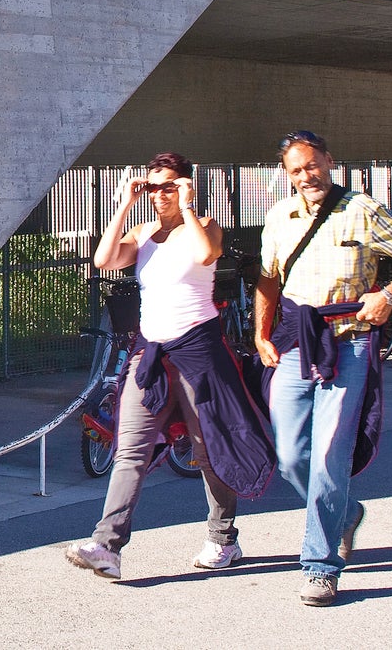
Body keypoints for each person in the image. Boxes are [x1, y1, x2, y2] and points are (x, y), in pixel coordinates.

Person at [253, 129, 392, 605]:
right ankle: (346, 513)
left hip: (350, 342)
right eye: (296, 169)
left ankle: (320, 566)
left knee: (329, 453)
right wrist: (260, 334)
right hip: (295, 341)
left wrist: (390, 294)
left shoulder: (361, 209)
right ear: (286, 175)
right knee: (291, 456)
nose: (306, 175)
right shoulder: (278, 217)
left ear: (329, 161)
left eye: (312, 165)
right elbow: (268, 279)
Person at [66, 151, 271, 582]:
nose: (160, 195)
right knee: (130, 448)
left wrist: (190, 205)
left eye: (169, 186)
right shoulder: (143, 233)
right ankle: (107, 545)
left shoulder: (206, 226)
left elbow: (204, 254)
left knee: (208, 448)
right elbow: (104, 259)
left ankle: (222, 538)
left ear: (185, 186)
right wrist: (125, 201)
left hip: (199, 351)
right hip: (152, 352)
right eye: (153, 187)